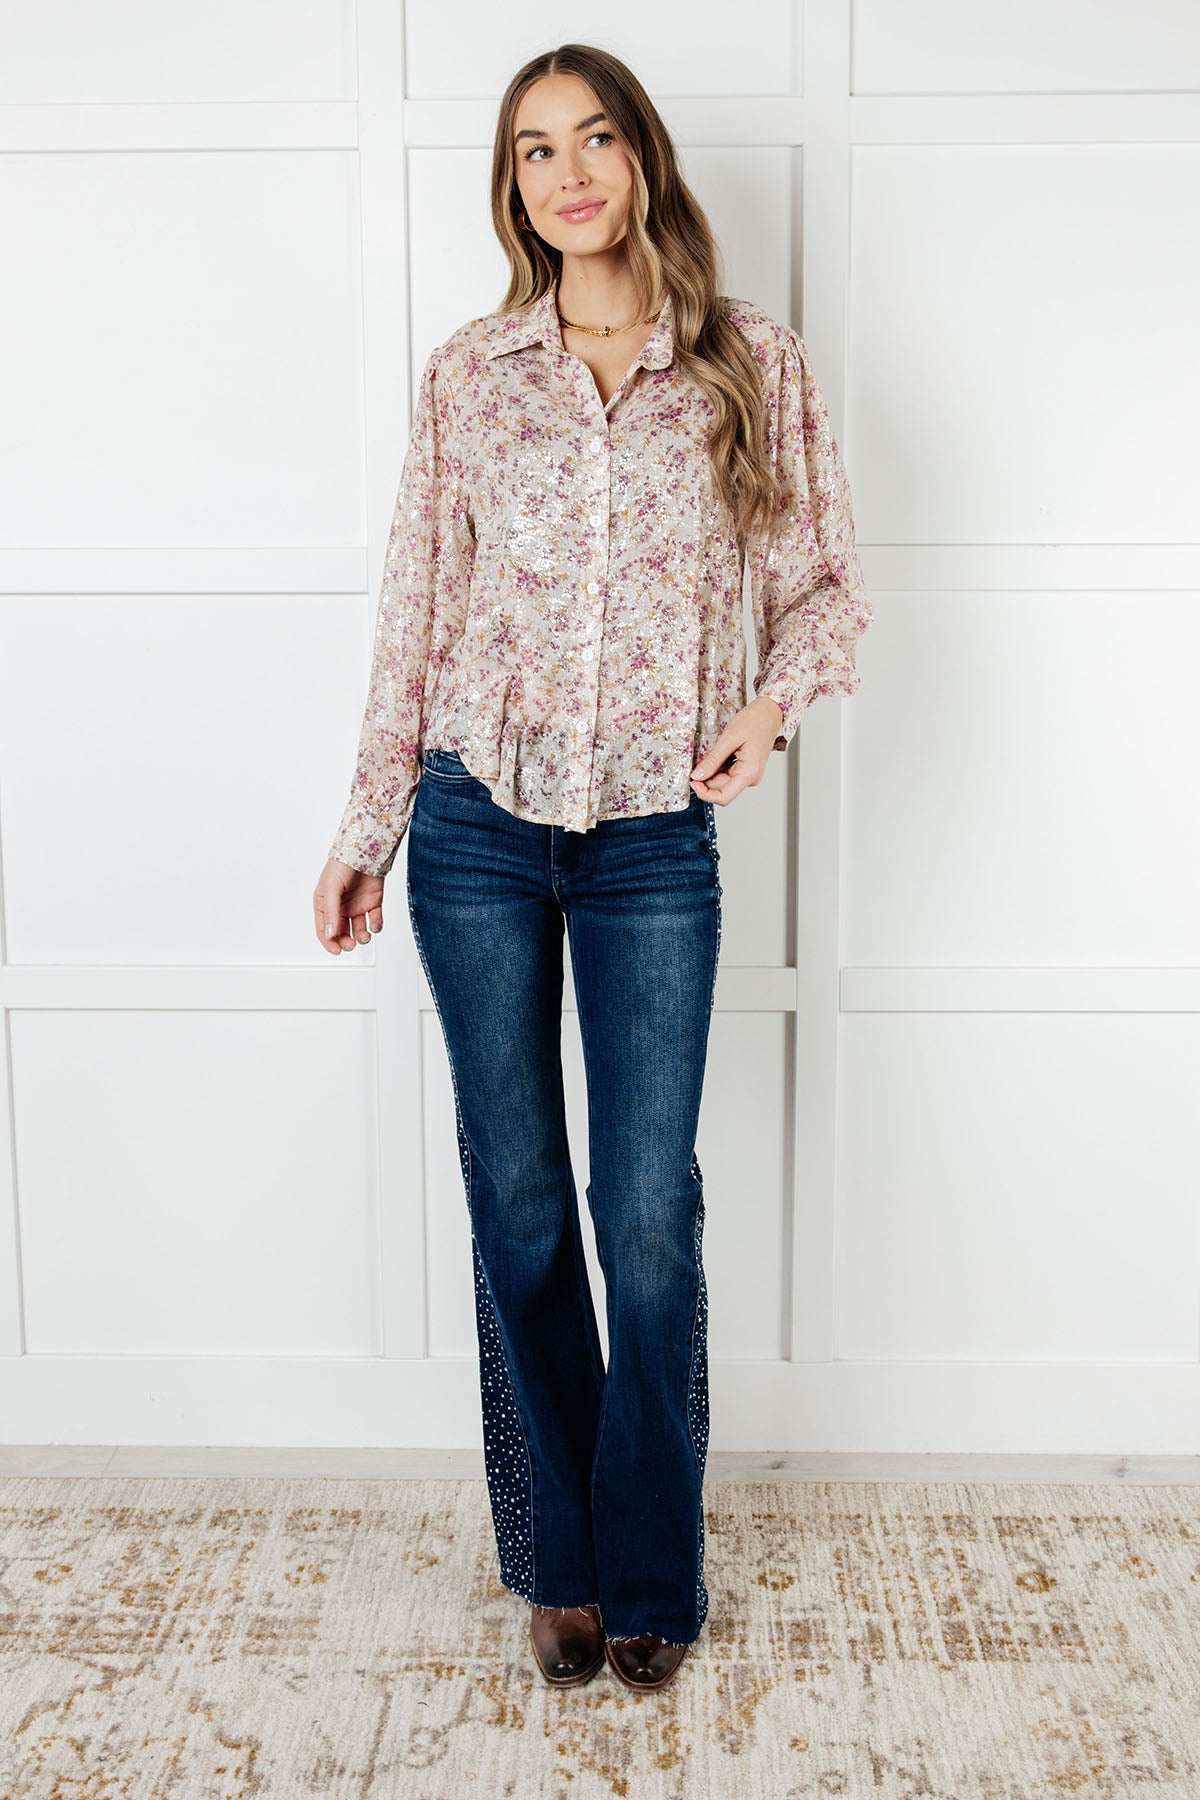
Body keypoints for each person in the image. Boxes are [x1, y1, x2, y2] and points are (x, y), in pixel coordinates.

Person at [312, 42, 872, 1694]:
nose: (568, 173)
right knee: (516, 1199)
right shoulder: (470, 375)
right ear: (513, 186)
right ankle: (562, 1559)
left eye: (596, 138)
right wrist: (365, 829)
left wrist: (767, 709)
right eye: (535, 149)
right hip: (474, 829)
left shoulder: (748, 362)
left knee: (645, 1214)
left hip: (651, 844)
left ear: (642, 159)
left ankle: (650, 1564)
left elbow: (826, 586)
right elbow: (415, 612)